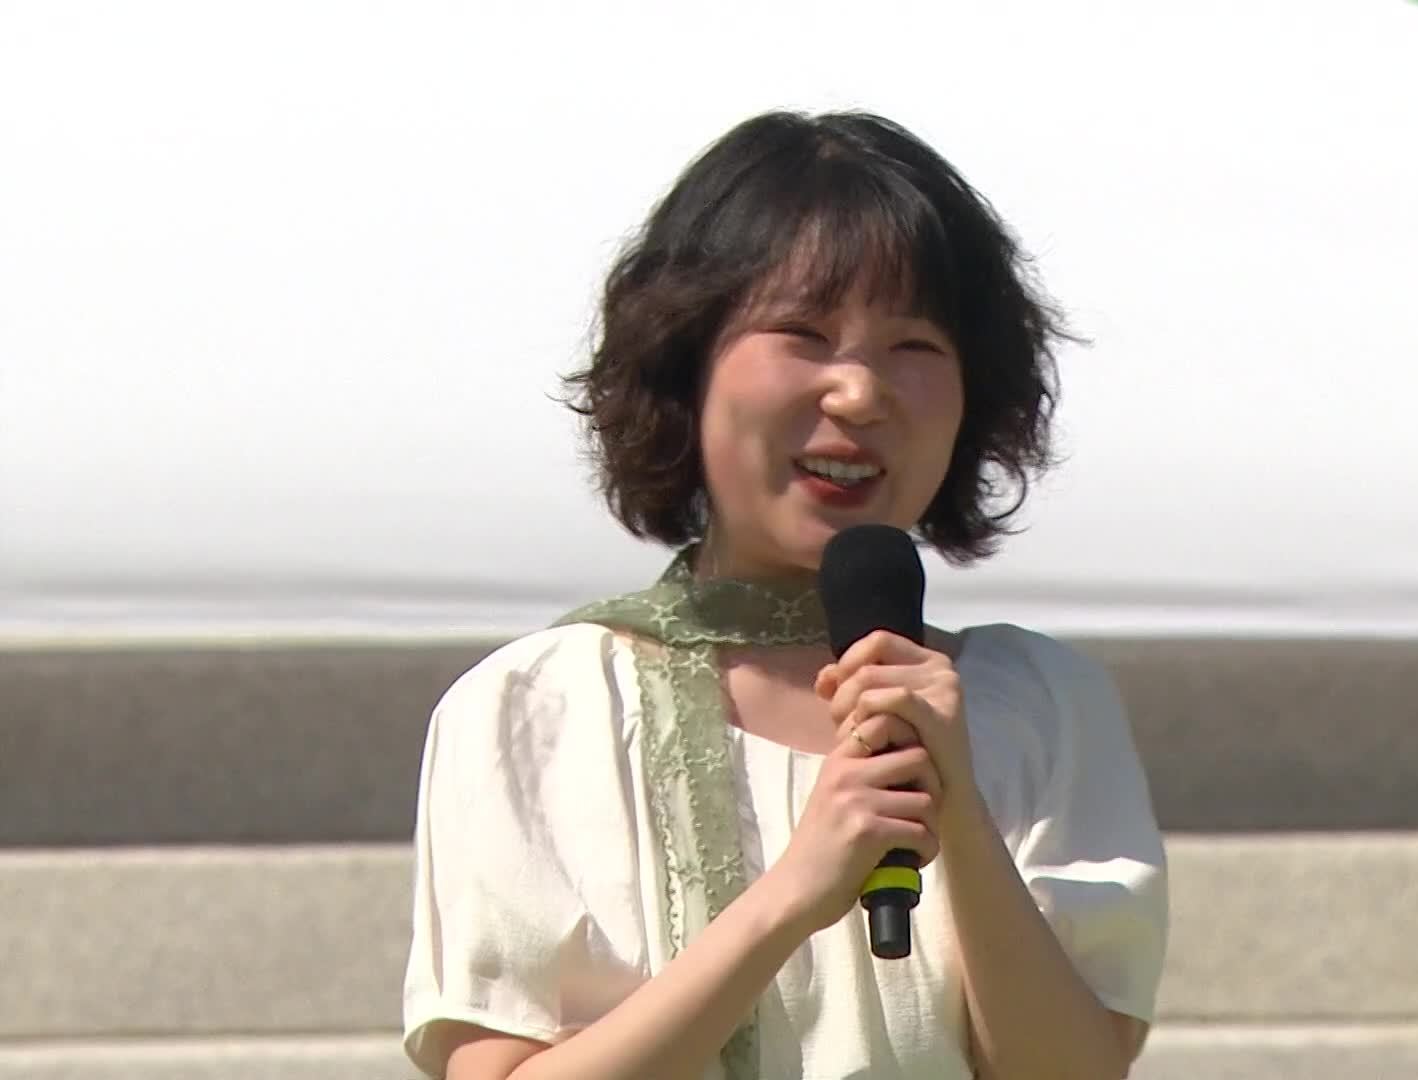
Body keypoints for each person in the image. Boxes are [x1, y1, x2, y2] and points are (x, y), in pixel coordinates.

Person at [400, 109, 1168, 1080]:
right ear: (687, 367)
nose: (859, 394)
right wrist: (793, 891)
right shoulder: (540, 706)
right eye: (804, 335)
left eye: (915, 346)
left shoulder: (1044, 705)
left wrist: (961, 816)